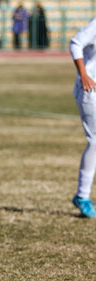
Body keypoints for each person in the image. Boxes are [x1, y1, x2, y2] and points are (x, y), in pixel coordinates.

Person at [70, 17, 96, 218]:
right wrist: (84, 74)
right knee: (95, 142)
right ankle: (82, 196)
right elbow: (76, 43)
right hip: (90, 90)